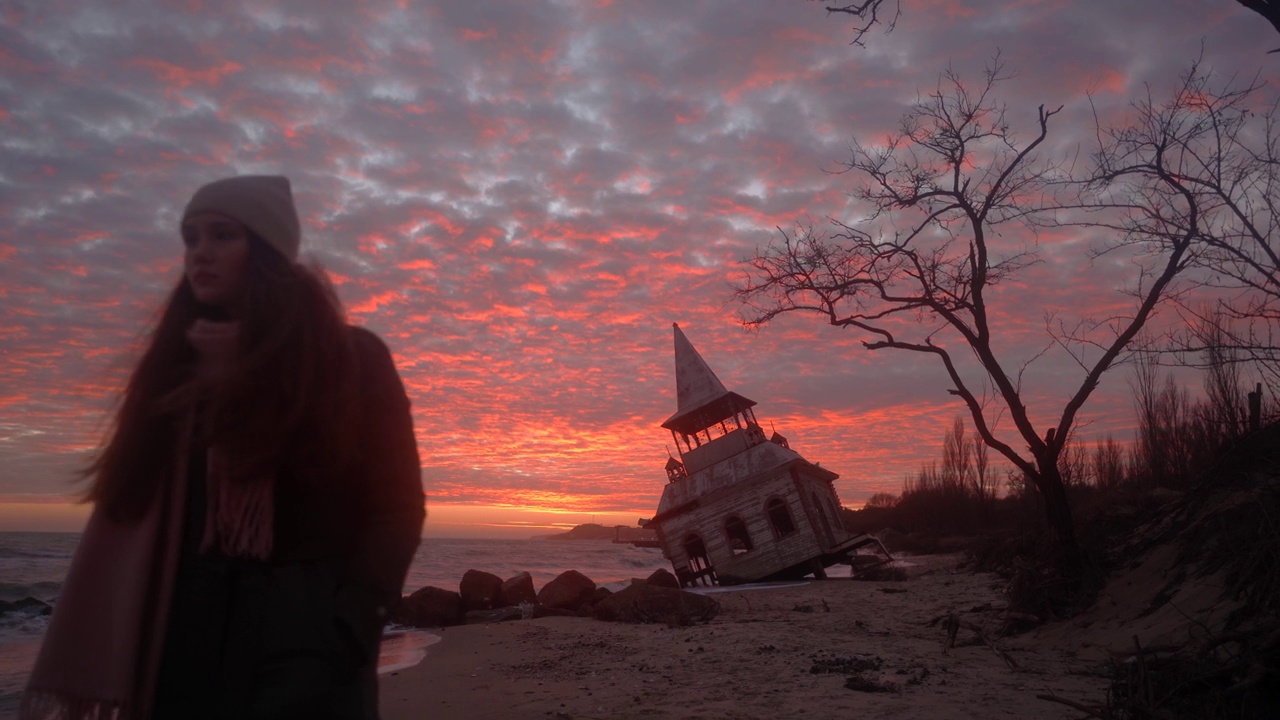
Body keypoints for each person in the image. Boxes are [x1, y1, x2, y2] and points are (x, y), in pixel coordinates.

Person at [21, 175, 425, 719]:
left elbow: (396, 507)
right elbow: (134, 507)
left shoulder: (349, 359)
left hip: (302, 641)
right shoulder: (175, 371)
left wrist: (349, 628)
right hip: (182, 638)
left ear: (265, 249)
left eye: (221, 235)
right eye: (190, 238)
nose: (199, 254)